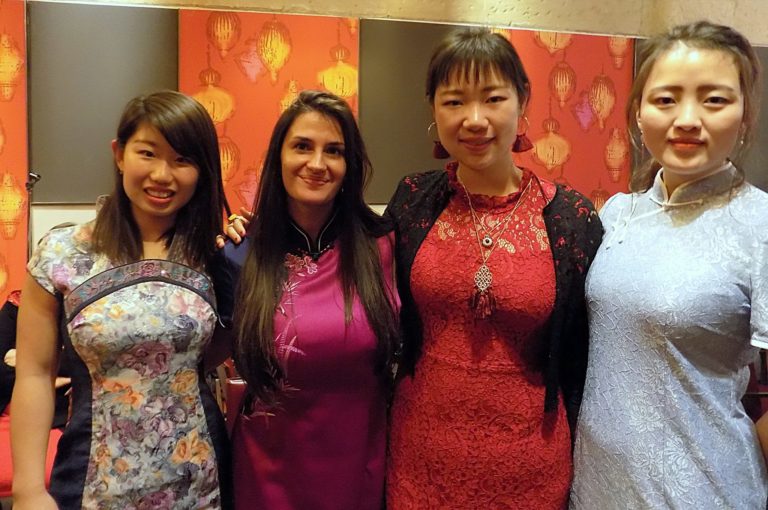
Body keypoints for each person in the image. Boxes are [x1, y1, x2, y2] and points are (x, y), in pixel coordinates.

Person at [383, 27, 602, 508]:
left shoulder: (572, 219)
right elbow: (348, 263)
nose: (475, 119)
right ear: (434, 110)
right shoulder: (412, 200)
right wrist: (252, 230)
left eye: (493, 98)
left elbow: (584, 354)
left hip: (531, 466)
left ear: (523, 102)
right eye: (454, 102)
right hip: (420, 460)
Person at [570, 21, 768, 509]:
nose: (687, 119)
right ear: (638, 112)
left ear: (745, 114)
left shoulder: (760, 224)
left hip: (705, 493)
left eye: (714, 100)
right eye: (665, 99)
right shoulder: (617, 214)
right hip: (595, 487)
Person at [11, 90, 232, 510]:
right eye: (147, 153)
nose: (162, 175)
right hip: (94, 479)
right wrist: (28, 489)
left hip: (200, 480)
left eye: (182, 160)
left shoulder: (213, 254)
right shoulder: (62, 254)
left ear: (202, 171)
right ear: (119, 154)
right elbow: (35, 374)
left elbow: (221, 348)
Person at [214, 90, 400, 510]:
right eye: (302, 146)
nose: (317, 163)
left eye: (334, 150)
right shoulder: (239, 253)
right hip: (266, 471)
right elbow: (205, 355)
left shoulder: (384, 246)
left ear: (350, 165)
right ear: (278, 156)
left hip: (360, 465)